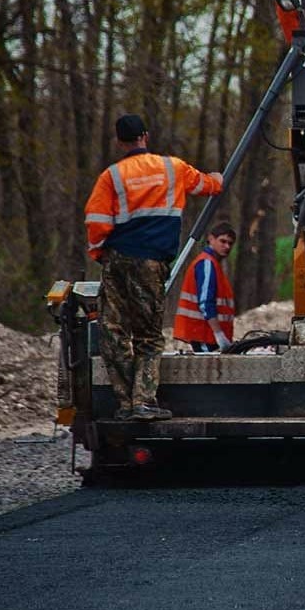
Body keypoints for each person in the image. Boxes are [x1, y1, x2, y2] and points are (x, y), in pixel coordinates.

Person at [85, 114, 223, 421]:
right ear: (145, 136)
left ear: (119, 141)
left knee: (114, 332)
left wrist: (99, 254)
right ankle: (143, 402)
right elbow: (208, 185)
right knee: (148, 335)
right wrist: (218, 179)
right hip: (151, 261)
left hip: (117, 259)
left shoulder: (111, 177)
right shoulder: (173, 168)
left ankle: (124, 403)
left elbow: (97, 223)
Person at [174, 222, 237, 353]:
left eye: (230, 243)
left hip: (206, 333)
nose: (226, 246)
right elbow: (205, 302)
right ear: (211, 239)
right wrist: (219, 334)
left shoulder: (212, 264)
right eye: (223, 241)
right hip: (204, 333)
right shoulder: (207, 263)